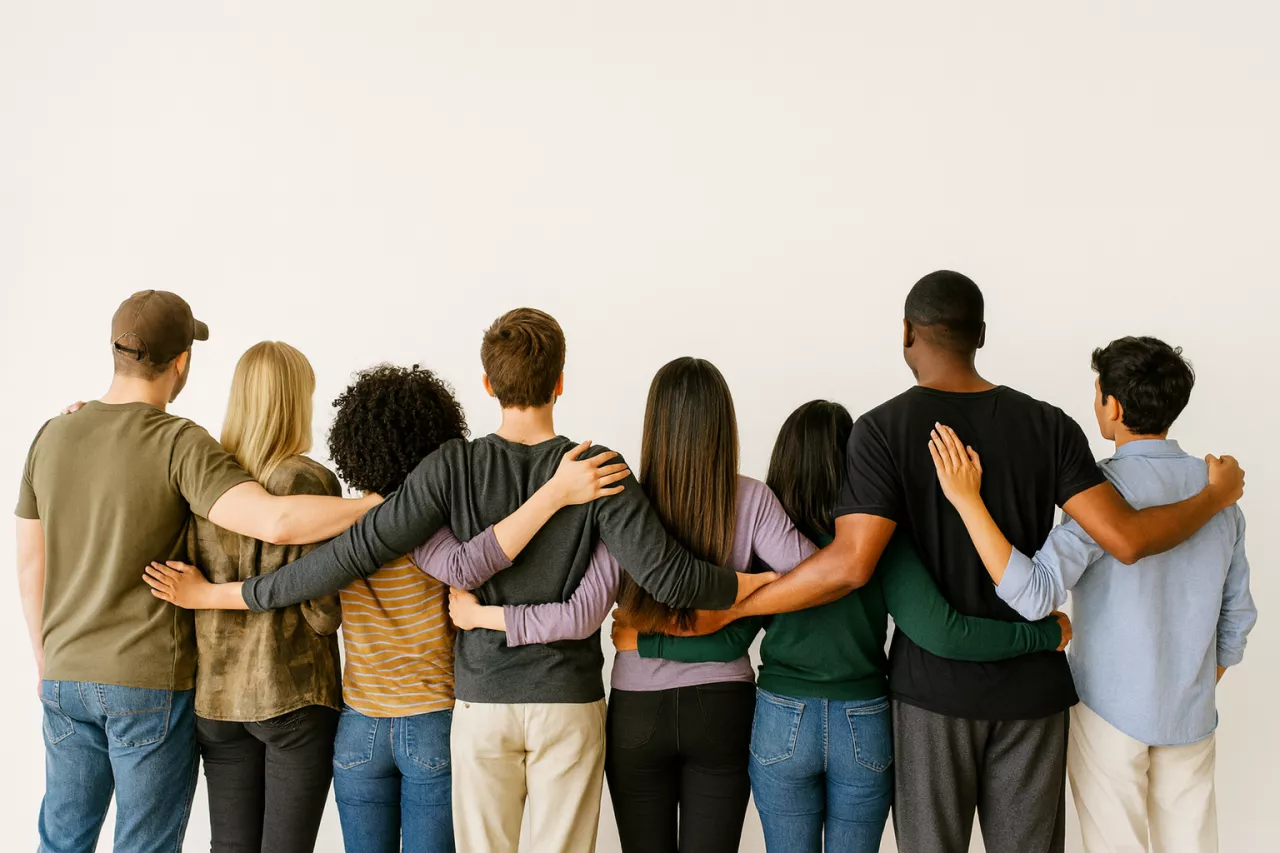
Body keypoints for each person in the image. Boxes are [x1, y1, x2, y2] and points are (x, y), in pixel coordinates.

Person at [141, 308, 768, 853]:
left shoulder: (452, 467)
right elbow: (674, 578)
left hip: (481, 705)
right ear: (560, 383)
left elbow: (345, 557)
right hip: (567, 704)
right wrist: (749, 587)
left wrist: (226, 595)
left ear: (489, 383)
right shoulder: (597, 470)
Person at [716, 272, 1246, 853]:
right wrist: (1214, 498)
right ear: (982, 335)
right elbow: (1125, 537)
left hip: (930, 703)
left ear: (906, 334)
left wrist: (739, 603)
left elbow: (850, 564)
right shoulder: (1049, 425)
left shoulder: (881, 431)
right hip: (1033, 698)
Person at [449, 379, 1069, 853]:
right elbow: (810, 585)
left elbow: (598, 610)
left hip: (715, 713)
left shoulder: (628, 499)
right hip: (805, 713)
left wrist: (661, 635)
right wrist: (746, 589)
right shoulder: (814, 522)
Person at [15, 291, 378, 853]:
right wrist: (375, 505)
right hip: (147, 680)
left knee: (61, 840)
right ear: (182, 360)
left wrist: (45, 659)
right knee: (145, 845)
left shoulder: (51, 434)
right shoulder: (180, 443)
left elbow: (30, 559)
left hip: (65, 675)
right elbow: (276, 521)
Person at [626, 399, 1074, 853]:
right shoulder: (879, 543)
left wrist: (644, 643)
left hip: (783, 720)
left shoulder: (773, 541)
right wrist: (1042, 635)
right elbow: (944, 632)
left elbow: (732, 638)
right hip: (863, 722)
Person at [927, 336, 1257, 853]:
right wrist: (1199, 675)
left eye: (1098, 393)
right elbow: (1237, 613)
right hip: (1191, 711)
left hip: (1107, 712)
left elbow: (1035, 595)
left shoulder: (1100, 496)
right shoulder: (1221, 493)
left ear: (1114, 407)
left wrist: (968, 502)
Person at [185, 341, 345, 853]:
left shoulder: (207, 483)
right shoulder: (310, 480)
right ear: (295, 401)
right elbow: (323, 613)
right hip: (292, 693)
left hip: (216, 697)